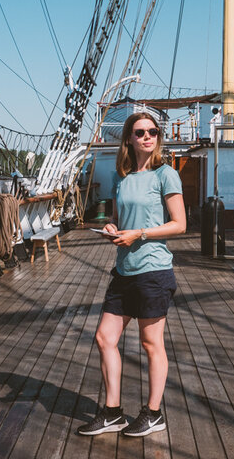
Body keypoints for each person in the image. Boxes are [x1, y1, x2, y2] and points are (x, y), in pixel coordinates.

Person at [78, 112, 186, 437]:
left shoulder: (165, 175)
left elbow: (179, 224)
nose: (147, 137)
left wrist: (138, 234)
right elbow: (117, 218)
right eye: (140, 132)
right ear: (129, 138)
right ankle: (112, 412)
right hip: (124, 270)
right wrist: (112, 228)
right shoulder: (121, 177)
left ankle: (153, 414)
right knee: (104, 338)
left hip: (153, 270)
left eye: (153, 131)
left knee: (151, 343)